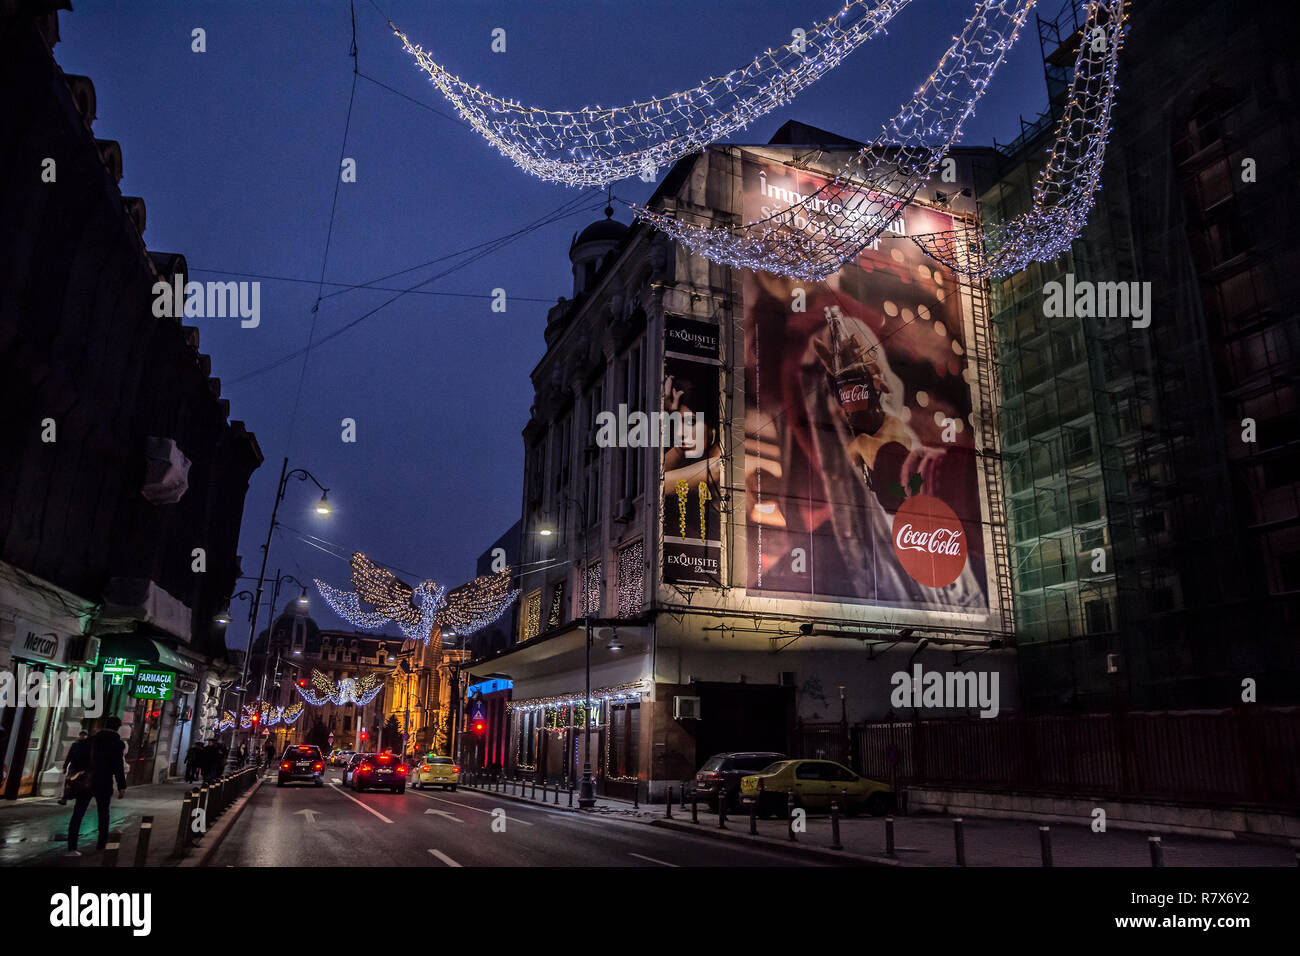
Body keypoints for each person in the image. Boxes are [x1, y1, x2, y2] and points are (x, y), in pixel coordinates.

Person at [66, 717, 127, 856]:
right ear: (118, 727)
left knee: (78, 813)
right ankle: (101, 844)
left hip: (86, 780)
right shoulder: (117, 744)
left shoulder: (90, 740)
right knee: (103, 813)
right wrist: (121, 786)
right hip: (104, 782)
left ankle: (72, 846)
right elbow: (118, 766)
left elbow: (78, 758)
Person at [59, 731, 90, 805]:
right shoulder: (75, 745)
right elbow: (69, 756)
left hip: (83, 768)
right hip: (74, 767)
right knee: (68, 781)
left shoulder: (89, 746)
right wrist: (65, 766)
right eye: (81, 735)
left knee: (81, 784)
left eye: (84, 735)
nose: (82, 736)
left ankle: (76, 798)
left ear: (87, 736)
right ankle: (64, 798)